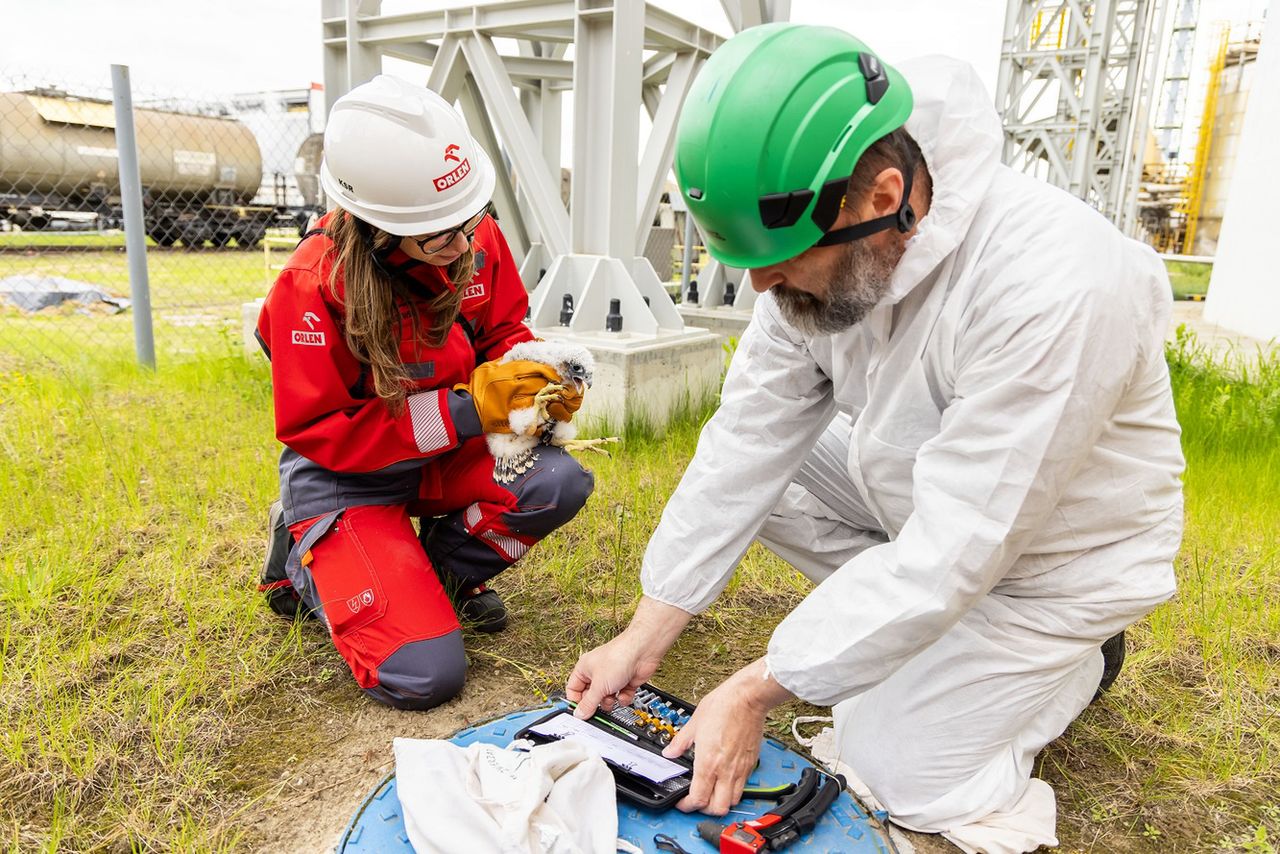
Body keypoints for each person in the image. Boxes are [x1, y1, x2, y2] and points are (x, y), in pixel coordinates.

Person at [566, 24, 1184, 854]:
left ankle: (1073, 666)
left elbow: (959, 544)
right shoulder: (818, 254)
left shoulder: (1055, 281)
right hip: (930, 501)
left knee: (895, 769)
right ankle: (924, 646)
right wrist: (645, 633)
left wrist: (753, 691)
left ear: (883, 195)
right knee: (767, 484)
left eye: (781, 258)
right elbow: (745, 443)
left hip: (1050, 566)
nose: (760, 283)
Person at [256, 75, 593, 711]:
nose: (465, 244)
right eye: (441, 235)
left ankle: (441, 573)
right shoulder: (313, 284)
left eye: (471, 219)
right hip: (348, 476)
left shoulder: (467, 230)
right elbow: (325, 431)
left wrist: (535, 384)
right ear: (375, 228)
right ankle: (304, 560)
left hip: (443, 455)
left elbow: (504, 333)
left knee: (557, 480)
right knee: (422, 676)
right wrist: (468, 410)